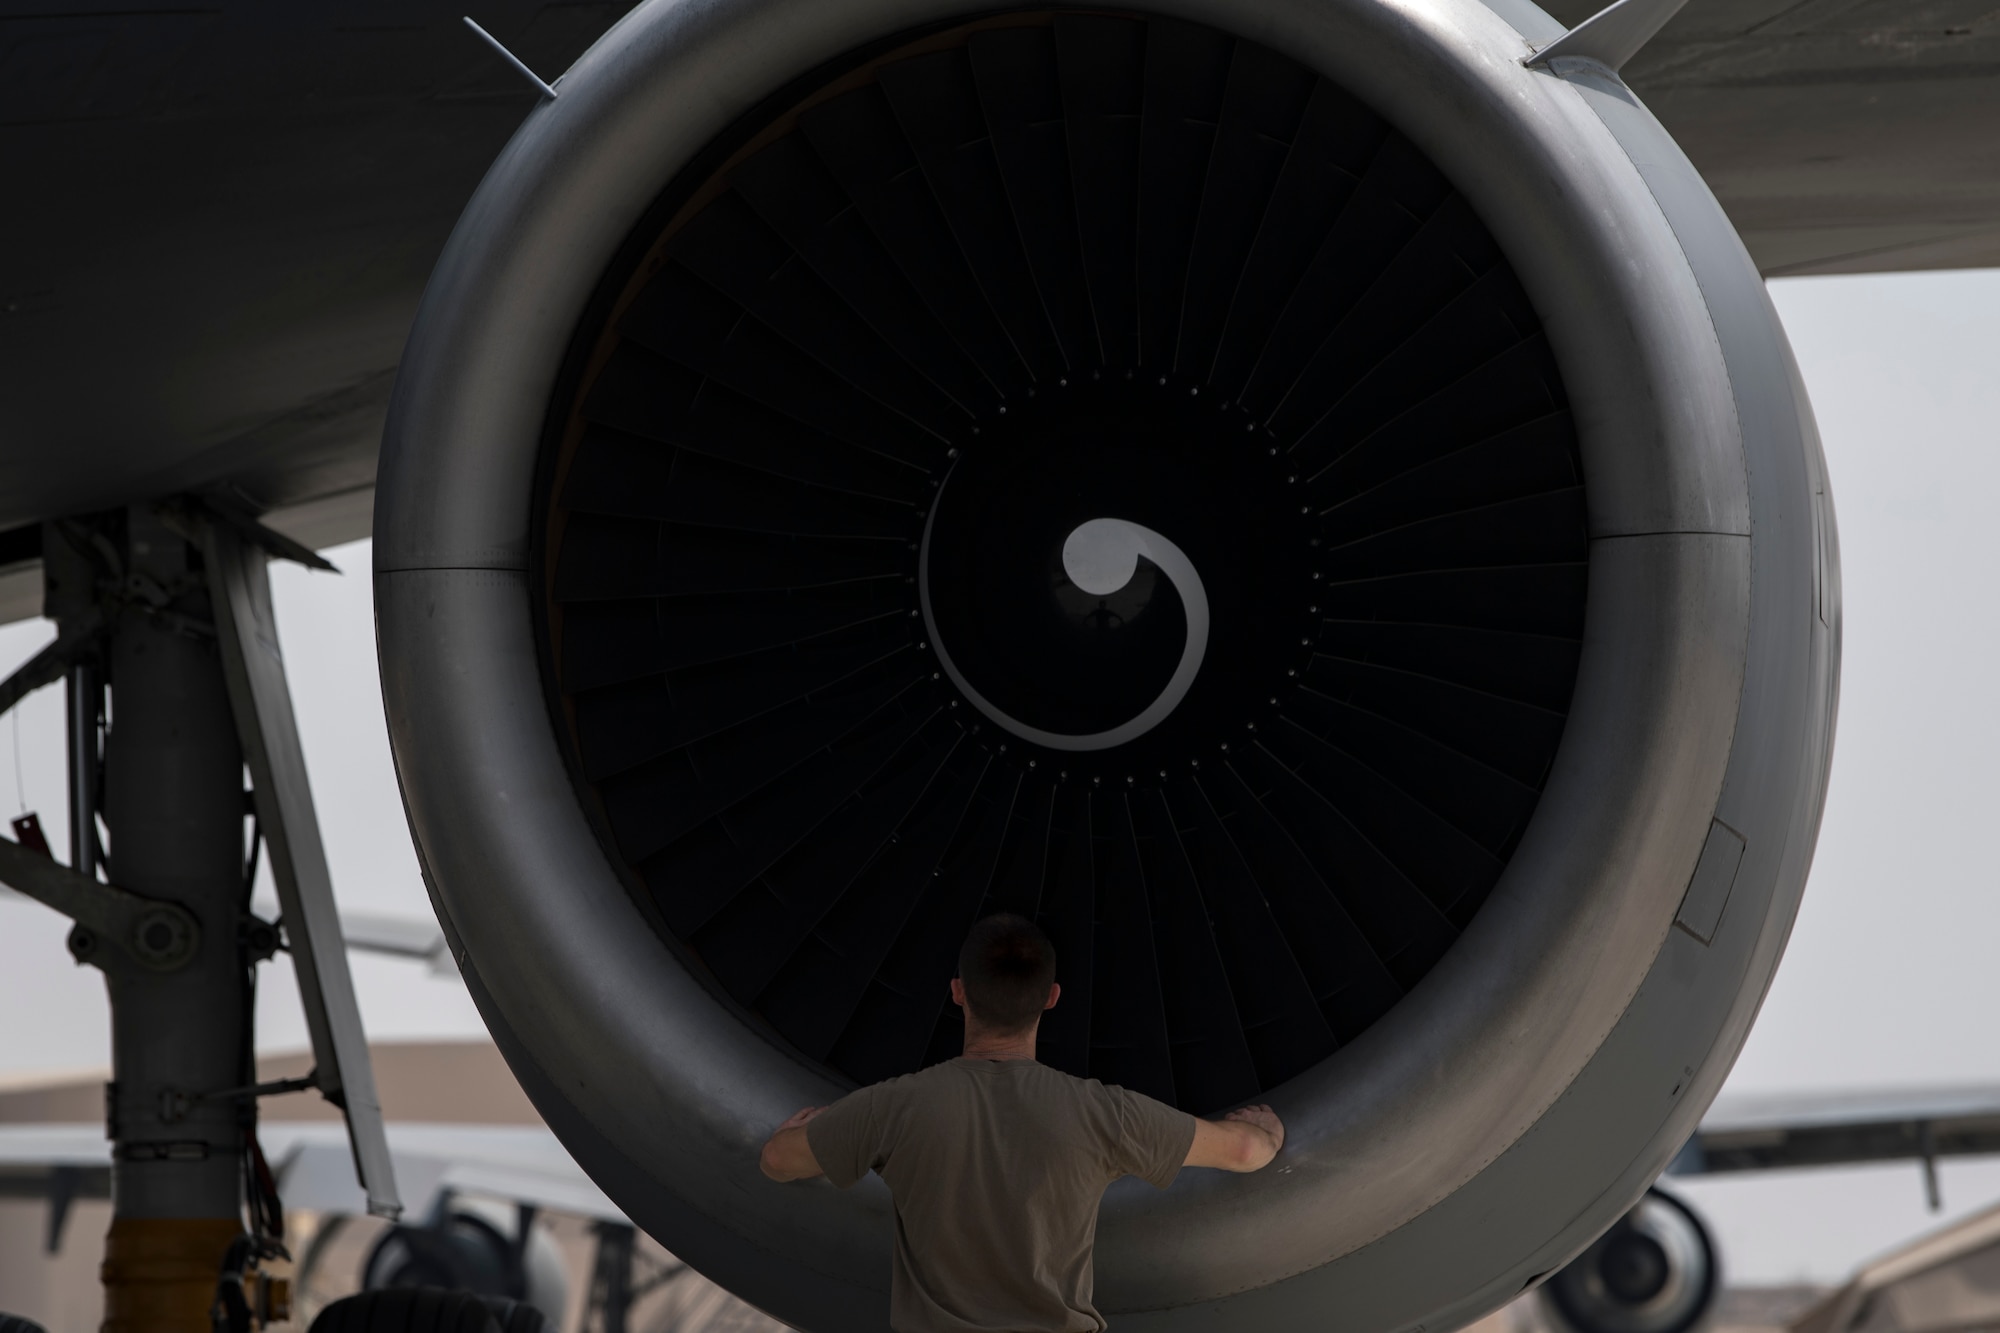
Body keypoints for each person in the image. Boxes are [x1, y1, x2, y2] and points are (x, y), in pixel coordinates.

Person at [760, 912, 1285, 1333]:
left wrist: (795, 1131)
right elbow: (1243, 1153)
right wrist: (1266, 1127)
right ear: (1052, 998)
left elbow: (779, 1162)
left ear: (959, 991)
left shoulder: (893, 1107)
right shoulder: (1104, 1113)